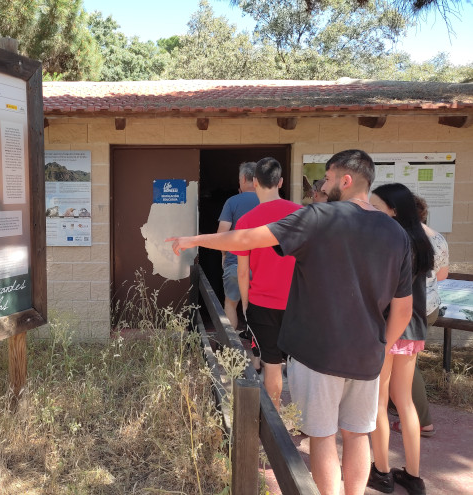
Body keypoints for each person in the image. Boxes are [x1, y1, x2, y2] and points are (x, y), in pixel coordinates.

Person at [168, 149, 413, 495]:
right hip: (367, 355)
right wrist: (381, 347)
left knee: (323, 437)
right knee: (358, 435)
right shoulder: (396, 233)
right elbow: (403, 309)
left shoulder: (320, 217)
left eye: (327, 178)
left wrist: (194, 240)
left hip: (318, 352)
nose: (323, 186)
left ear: (346, 179)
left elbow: (247, 238)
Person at [368, 184, 435, 495]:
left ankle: (381, 472)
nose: (370, 210)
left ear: (392, 210)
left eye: (376, 205)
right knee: (404, 401)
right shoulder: (421, 240)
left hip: (388, 328)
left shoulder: (390, 240)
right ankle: (414, 476)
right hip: (414, 330)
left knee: (379, 403)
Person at [231, 157, 300, 410]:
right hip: (298, 303)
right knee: (301, 364)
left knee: (271, 365)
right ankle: (310, 420)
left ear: (254, 182)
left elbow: (242, 271)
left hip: (262, 303)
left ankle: (276, 415)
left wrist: (246, 306)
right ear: (280, 182)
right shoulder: (302, 214)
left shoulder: (246, 221)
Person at [389, 195, 449, 438]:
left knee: (405, 362)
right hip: (430, 307)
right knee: (404, 360)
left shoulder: (401, 239)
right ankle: (400, 406)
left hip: (409, 309)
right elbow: (442, 275)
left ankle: (421, 420)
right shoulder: (438, 237)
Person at [216, 161, 259, 333]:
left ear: (242, 179)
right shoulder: (267, 202)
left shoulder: (232, 202)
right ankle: (258, 348)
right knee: (259, 308)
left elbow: (222, 234)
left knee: (230, 303)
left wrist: (224, 255)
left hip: (235, 262)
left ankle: (231, 347)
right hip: (261, 268)